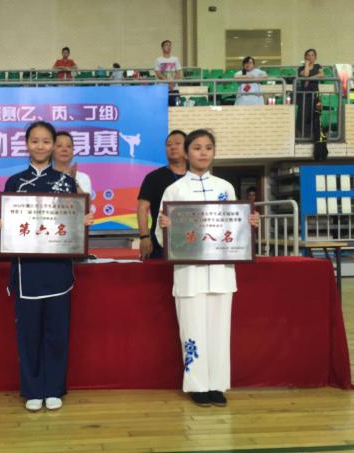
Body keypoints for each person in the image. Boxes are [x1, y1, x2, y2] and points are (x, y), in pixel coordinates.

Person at [0, 121, 93, 412]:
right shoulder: (14, 183)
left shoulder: (66, 182)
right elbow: (8, 225)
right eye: (35, 141)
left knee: (57, 333)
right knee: (29, 334)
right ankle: (33, 389)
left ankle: (54, 388)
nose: (40, 146)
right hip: (26, 271)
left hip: (58, 269)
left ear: (53, 146)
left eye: (46, 141)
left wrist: (82, 222)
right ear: (26, 144)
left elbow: (73, 221)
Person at [155, 129, 259, 408]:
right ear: (187, 152)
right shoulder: (174, 190)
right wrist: (165, 228)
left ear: (214, 152)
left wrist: (249, 224)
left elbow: (234, 228)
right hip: (189, 274)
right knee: (192, 330)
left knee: (219, 331)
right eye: (197, 147)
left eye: (208, 147)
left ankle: (217, 384)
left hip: (222, 272)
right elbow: (160, 236)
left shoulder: (226, 187)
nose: (203, 153)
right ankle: (197, 385)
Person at [137, 130, 187, 259]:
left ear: (187, 147)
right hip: (160, 243)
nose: (173, 147)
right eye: (169, 144)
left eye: (177, 143)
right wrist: (144, 236)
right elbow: (142, 208)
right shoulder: (153, 177)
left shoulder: (196, 178)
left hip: (192, 241)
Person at [53, 131, 92, 196]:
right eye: (59, 146)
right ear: (52, 151)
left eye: (68, 146)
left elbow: (87, 201)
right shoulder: (45, 176)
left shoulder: (83, 177)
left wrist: (73, 181)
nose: (64, 149)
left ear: (73, 151)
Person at [296, 49, 323, 138]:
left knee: (315, 114)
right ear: (305, 57)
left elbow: (321, 75)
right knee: (303, 115)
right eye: (308, 55)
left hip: (315, 94)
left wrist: (309, 79)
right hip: (304, 95)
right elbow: (305, 75)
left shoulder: (318, 66)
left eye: (312, 55)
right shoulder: (301, 68)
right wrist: (307, 64)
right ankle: (303, 135)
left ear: (315, 57)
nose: (310, 57)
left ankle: (315, 135)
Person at [154, 40, 182, 106]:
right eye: (166, 45)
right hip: (162, 89)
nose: (169, 47)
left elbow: (178, 73)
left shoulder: (175, 59)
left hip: (174, 89)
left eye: (170, 45)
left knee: (177, 107)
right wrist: (169, 83)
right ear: (162, 47)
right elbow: (159, 74)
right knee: (162, 108)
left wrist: (173, 84)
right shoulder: (158, 60)